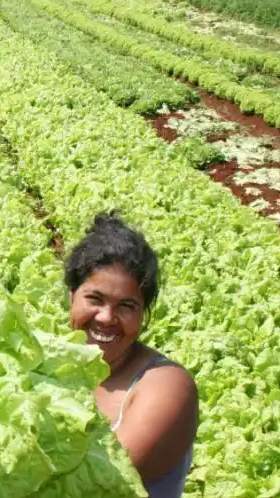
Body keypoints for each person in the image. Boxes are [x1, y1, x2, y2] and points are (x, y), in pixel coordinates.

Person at [65, 211, 198, 497]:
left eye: (126, 306)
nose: (106, 317)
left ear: (143, 313)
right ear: (71, 296)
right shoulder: (54, 367)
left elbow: (100, 483)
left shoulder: (166, 385)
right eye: (95, 299)